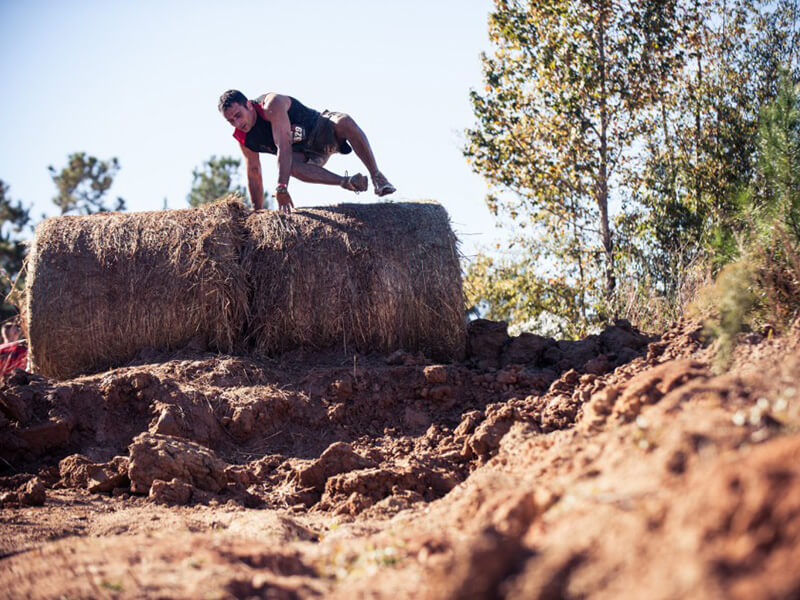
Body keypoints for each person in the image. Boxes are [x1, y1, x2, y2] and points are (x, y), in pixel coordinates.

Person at [218, 90, 395, 212]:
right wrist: (257, 213)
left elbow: (283, 146)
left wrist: (281, 188)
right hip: (307, 156)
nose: (237, 123)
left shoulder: (271, 105)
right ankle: (346, 181)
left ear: (248, 105)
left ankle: (377, 176)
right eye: (230, 121)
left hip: (323, 132)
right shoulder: (243, 137)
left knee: (344, 121)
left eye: (238, 115)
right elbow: (254, 171)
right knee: (290, 166)